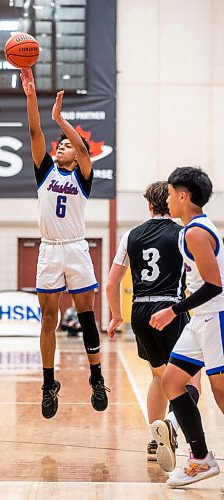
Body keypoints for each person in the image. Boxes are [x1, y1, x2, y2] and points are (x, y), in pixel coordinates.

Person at [20, 67, 109, 419]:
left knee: (86, 315)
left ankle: (97, 377)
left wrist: (60, 117)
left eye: (67, 144)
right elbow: (34, 131)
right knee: (47, 318)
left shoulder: (84, 175)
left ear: (77, 153)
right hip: (49, 249)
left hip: (75, 247)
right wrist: (31, 95)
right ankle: (47, 383)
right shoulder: (45, 171)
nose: (61, 146)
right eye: (60, 144)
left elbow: (85, 151)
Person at [106, 181, 200, 469]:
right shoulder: (183, 233)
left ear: (149, 205)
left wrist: (115, 316)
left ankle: (154, 438)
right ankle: (172, 422)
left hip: (140, 310)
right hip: (170, 308)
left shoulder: (131, 235)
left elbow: (111, 283)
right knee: (192, 376)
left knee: (159, 377)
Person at [149, 167, 224, 488]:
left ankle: (201, 459)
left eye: (169, 192)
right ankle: (201, 458)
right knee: (172, 381)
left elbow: (214, 285)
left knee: (222, 394)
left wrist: (173, 310)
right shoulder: (192, 229)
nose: (166, 198)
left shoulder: (196, 232)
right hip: (200, 320)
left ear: (183, 196)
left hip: (215, 317)